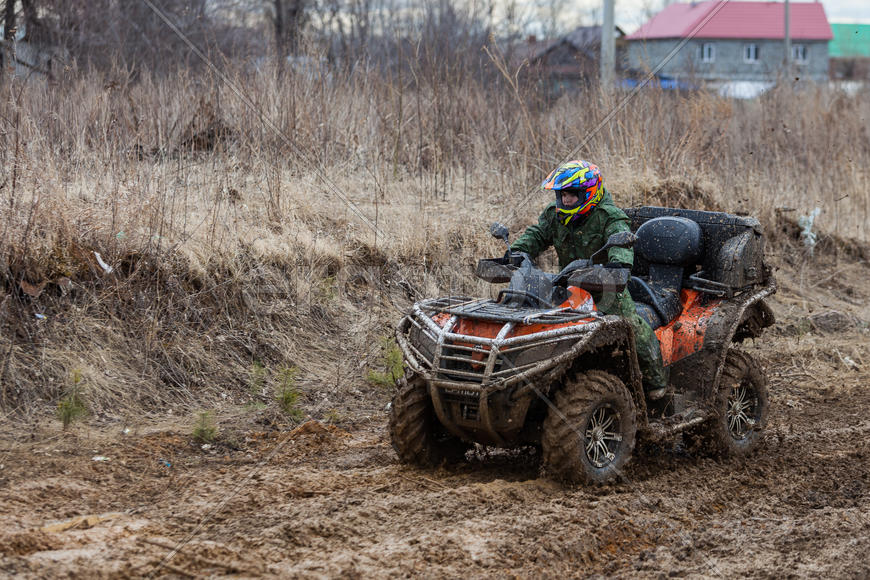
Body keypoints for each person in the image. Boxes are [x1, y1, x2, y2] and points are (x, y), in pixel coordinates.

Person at [510, 160, 669, 400]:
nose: (565, 201)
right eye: (562, 195)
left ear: (589, 192)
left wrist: (618, 264)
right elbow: (537, 234)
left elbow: (621, 241)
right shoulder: (556, 215)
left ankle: (656, 383)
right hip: (566, 287)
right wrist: (516, 252)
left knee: (631, 326)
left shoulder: (610, 217)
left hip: (606, 289)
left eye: (572, 195)